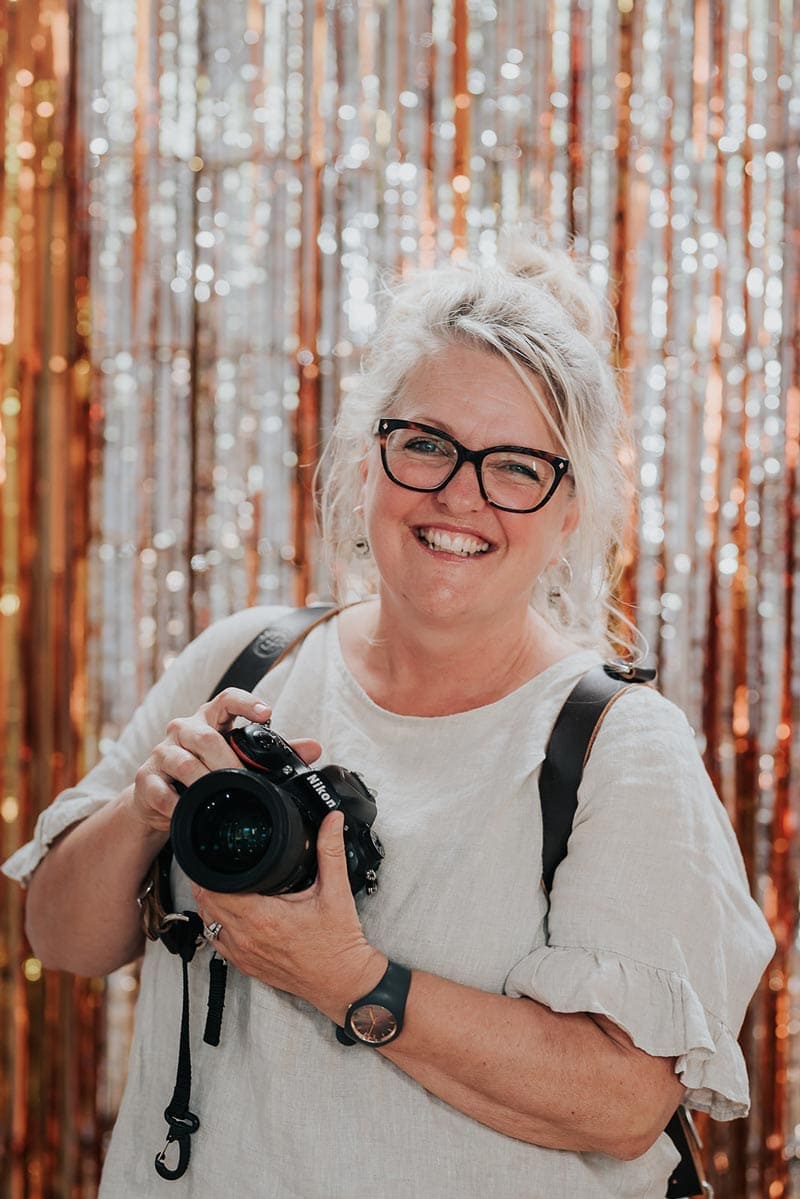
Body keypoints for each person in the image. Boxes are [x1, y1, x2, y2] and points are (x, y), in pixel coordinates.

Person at [4, 235, 775, 1199]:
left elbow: (624, 1101)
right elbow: (61, 938)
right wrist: (144, 811)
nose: (460, 494)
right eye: (426, 444)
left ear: (570, 509)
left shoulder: (617, 742)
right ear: (368, 460)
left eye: (516, 466)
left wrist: (348, 976)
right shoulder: (249, 661)